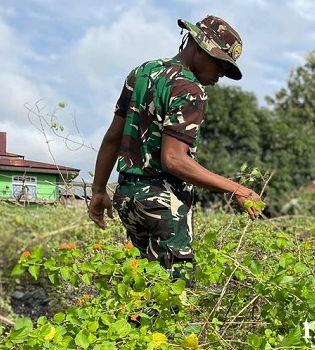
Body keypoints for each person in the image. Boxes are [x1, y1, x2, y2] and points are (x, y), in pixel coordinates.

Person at [88, 15, 263, 282]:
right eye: (219, 63)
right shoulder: (191, 90)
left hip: (128, 199)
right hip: (162, 203)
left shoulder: (142, 73)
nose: (220, 75)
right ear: (198, 47)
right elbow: (173, 160)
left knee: (144, 286)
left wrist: (100, 190)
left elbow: (114, 136)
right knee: (174, 292)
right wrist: (236, 188)